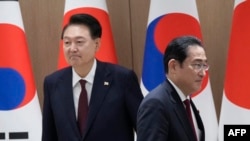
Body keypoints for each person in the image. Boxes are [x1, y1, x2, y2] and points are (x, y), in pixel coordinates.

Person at [42, 13, 143, 141]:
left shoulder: (122, 79)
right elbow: (48, 135)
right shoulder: (53, 83)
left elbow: (145, 128)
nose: (72, 48)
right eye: (67, 42)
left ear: (97, 44)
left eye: (79, 42)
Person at [137, 35, 206, 141]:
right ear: (173, 66)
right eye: (197, 65)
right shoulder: (155, 104)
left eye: (204, 65)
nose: (203, 73)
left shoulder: (186, 101)